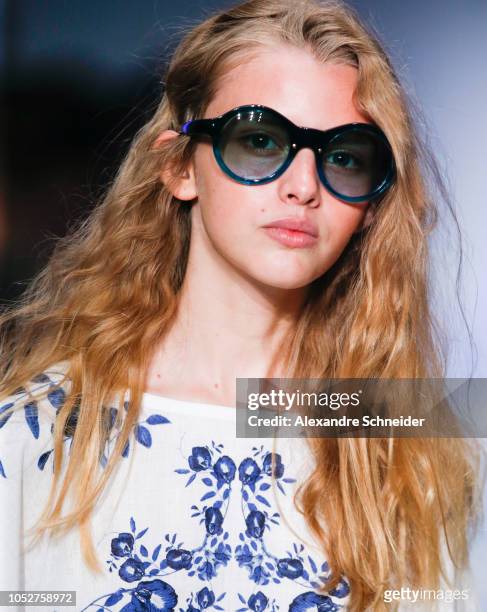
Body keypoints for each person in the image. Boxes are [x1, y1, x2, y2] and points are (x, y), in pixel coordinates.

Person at [0, 0, 482, 610]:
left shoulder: (407, 459)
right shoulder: (33, 443)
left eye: (345, 156)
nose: (303, 186)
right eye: (260, 140)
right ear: (179, 166)